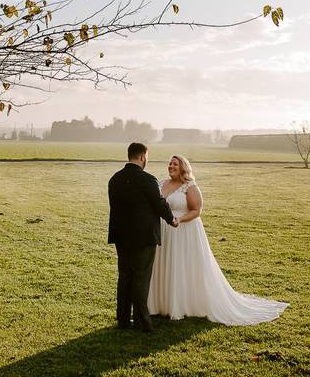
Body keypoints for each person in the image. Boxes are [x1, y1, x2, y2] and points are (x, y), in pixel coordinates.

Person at [148, 154, 288, 325]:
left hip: (183, 231)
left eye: (175, 164)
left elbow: (196, 210)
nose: (171, 166)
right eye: (170, 163)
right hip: (164, 230)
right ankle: (161, 304)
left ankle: (180, 304)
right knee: (164, 264)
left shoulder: (190, 186)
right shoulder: (162, 183)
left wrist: (179, 220)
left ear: (183, 167)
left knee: (180, 265)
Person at [107, 142, 177, 332]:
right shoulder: (148, 179)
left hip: (121, 236)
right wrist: (172, 219)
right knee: (141, 278)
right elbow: (159, 204)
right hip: (143, 237)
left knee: (125, 277)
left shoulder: (115, 179)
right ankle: (142, 322)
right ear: (142, 157)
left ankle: (122, 320)